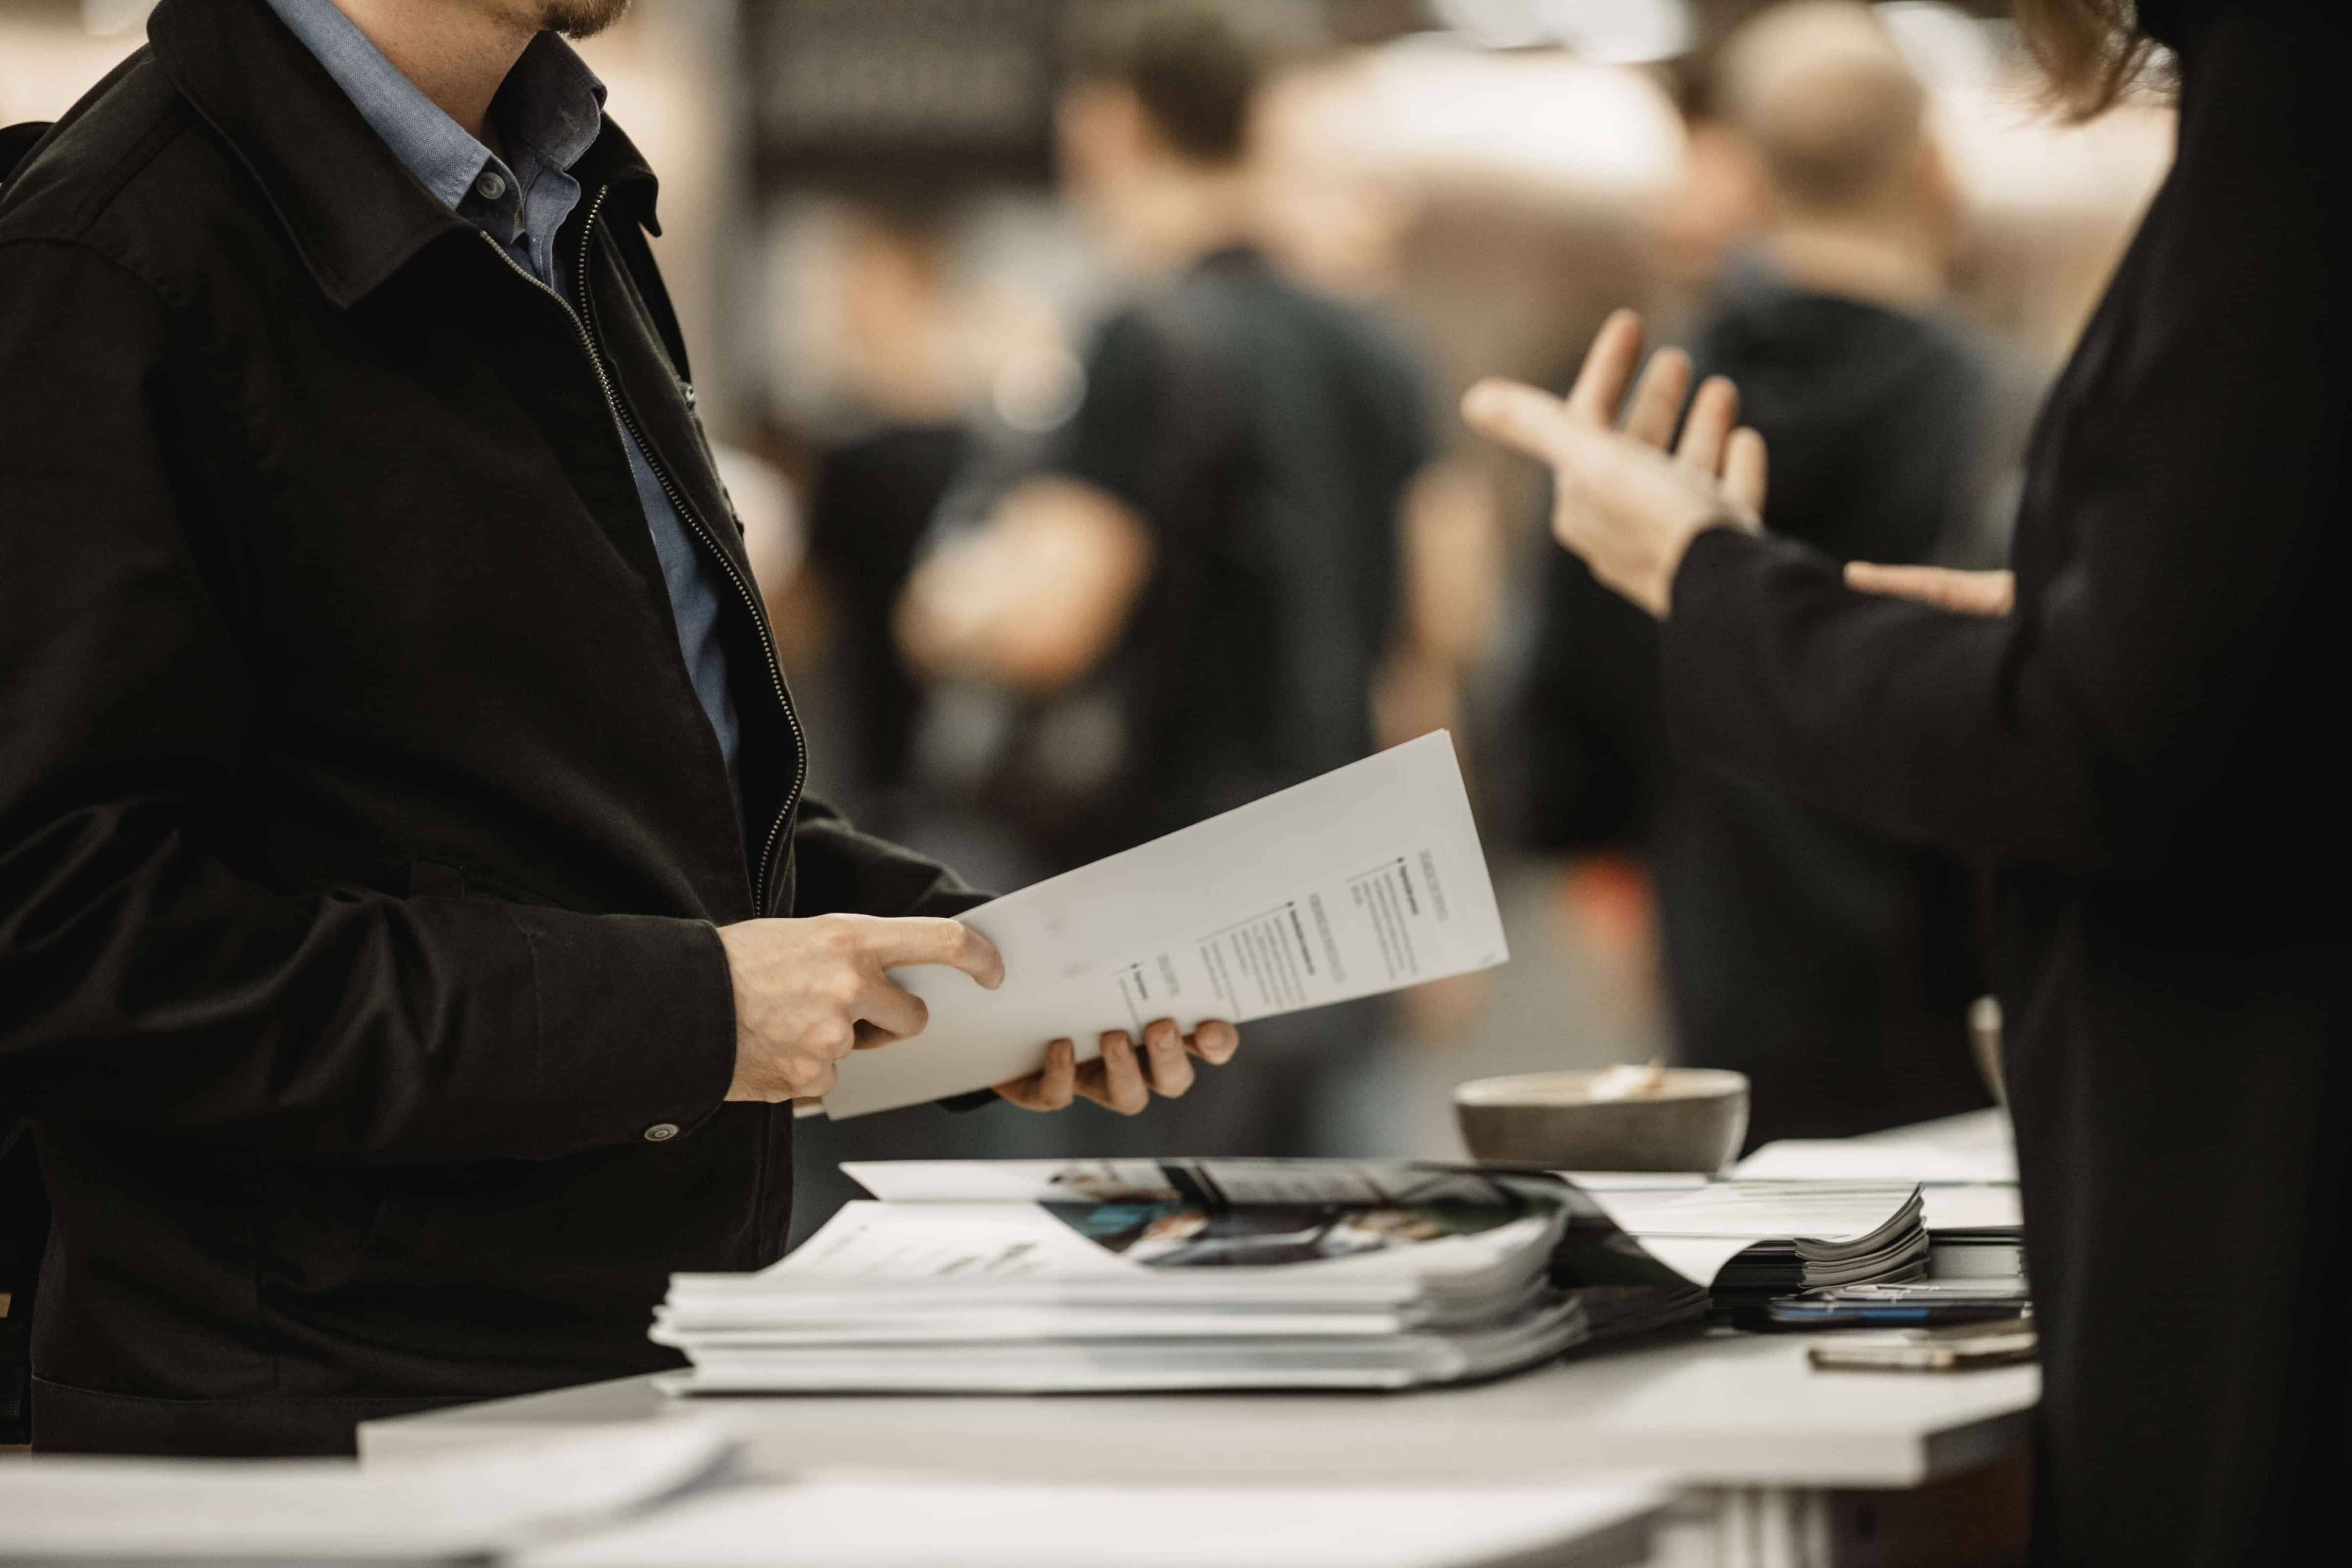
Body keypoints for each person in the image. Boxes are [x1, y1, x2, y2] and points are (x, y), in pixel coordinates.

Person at [0, 0, 1241, 1457]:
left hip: (633, 1370)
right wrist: (692, 1014)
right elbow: (64, 937)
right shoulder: (111, 257)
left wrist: (966, 962)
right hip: (319, 1432)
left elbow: (596, 805)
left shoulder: (564, 202)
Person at [1466, 1, 2349, 1558]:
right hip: (1970, 1048)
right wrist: (2070, 637)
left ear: (1725, 170)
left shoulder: (2291, 110)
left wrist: (1702, 576)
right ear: (1928, 164)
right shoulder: (1989, 395)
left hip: (1852, 1051)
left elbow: (2110, 739)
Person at [895, 0, 1434, 1156]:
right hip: (1348, 879)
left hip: (1175, 900)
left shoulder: (1144, 337)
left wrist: (950, 605)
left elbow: (1051, 627)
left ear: (1112, 126)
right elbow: (1438, 634)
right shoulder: (1374, 349)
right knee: (1329, 1257)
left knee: (1159, 1273)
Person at [1526, 0, 2011, 1144]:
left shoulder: (1640, 416)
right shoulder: (2011, 409)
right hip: (1964, 996)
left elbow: (1570, 730)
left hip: (1722, 974)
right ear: (1933, 167)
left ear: (1739, 173)